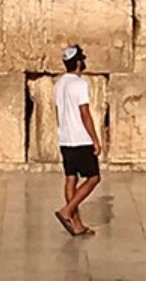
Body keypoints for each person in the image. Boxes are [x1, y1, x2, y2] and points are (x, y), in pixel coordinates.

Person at [53, 44, 101, 237]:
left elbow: (58, 111)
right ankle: (67, 211)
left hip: (65, 138)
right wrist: (95, 139)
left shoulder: (59, 84)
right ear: (79, 62)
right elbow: (85, 114)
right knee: (94, 178)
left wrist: (62, 130)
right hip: (80, 138)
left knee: (71, 178)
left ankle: (77, 225)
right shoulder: (80, 84)